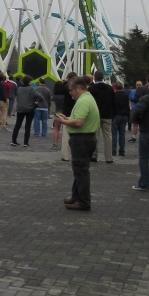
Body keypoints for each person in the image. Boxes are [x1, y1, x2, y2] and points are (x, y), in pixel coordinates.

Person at [56, 75, 99, 211]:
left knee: (81, 170)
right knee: (79, 169)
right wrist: (68, 118)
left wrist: (64, 122)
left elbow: (79, 122)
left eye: (71, 90)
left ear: (78, 89)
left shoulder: (83, 101)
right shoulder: (88, 98)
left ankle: (83, 201)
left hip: (82, 138)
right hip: (86, 138)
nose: (70, 93)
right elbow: (79, 118)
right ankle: (76, 196)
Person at [89, 71, 115, 163]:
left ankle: (94, 155)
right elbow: (113, 102)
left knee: (95, 136)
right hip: (107, 114)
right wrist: (113, 115)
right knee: (108, 136)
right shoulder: (109, 88)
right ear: (103, 77)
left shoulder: (91, 89)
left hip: (95, 115)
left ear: (95, 78)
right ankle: (108, 157)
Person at [11, 75, 38, 147]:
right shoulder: (32, 89)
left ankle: (14, 140)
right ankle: (26, 142)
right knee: (27, 126)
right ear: (29, 81)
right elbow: (39, 96)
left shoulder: (19, 88)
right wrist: (36, 103)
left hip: (20, 108)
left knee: (17, 125)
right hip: (29, 109)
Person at [112, 82, 130, 158]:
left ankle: (114, 150)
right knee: (122, 134)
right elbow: (128, 106)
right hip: (124, 115)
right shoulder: (126, 95)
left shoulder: (114, 95)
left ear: (115, 88)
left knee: (114, 134)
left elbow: (113, 106)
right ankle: (122, 151)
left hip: (116, 116)